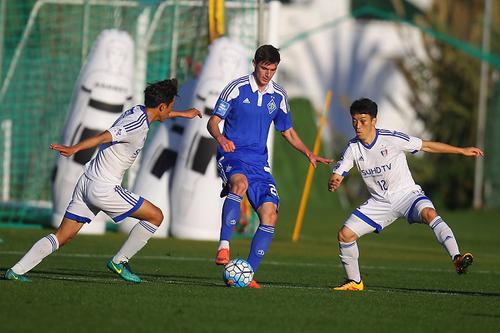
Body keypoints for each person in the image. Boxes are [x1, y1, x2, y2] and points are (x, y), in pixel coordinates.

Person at [5, 79, 202, 283]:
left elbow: (160, 114)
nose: (171, 110)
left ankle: (16, 270)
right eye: (171, 106)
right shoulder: (135, 124)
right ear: (162, 106)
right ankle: (120, 261)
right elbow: (103, 136)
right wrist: (74, 148)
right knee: (155, 216)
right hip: (104, 188)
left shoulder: (139, 111)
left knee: (62, 236)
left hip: (86, 183)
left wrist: (182, 113)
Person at [207, 44, 332, 288]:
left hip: (259, 164)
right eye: (264, 68)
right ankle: (224, 247)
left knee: (270, 214)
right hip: (233, 156)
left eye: (272, 70)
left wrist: (308, 152)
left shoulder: (279, 96)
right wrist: (221, 138)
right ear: (255, 64)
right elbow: (213, 122)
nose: (267, 74)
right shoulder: (236, 89)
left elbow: (287, 130)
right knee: (239, 184)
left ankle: (246, 274)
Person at [328, 98, 484, 291]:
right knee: (345, 235)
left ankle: (456, 258)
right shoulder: (353, 147)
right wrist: (335, 180)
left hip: (407, 196)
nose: (357, 126)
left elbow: (426, 146)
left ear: (374, 121)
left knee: (430, 214)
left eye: (363, 121)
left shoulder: (391, 139)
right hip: (380, 203)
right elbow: (339, 171)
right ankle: (355, 282)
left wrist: (461, 150)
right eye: (354, 121)